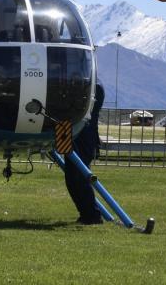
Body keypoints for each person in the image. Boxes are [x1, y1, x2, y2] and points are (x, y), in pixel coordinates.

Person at [65, 83, 104, 225]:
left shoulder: (95, 88)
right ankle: (88, 213)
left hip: (84, 139)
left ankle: (92, 214)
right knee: (73, 178)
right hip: (79, 137)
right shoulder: (93, 87)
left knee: (79, 177)